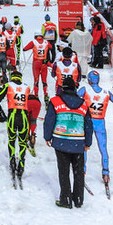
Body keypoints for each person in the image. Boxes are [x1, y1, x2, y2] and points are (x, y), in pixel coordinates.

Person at [44, 76, 93, 208]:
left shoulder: (55, 101)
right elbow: (88, 124)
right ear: (74, 88)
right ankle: (78, 199)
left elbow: (49, 120)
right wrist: (88, 142)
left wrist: (47, 137)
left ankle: (65, 200)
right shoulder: (83, 104)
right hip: (78, 142)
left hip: (61, 141)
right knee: (78, 172)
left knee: (63, 171)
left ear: (63, 88)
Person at [78, 71, 113, 185]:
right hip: (100, 123)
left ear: (89, 80)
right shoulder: (106, 93)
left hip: (87, 122)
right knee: (103, 149)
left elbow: (74, 97)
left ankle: (82, 171)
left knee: (85, 147)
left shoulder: (85, 90)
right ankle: (106, 173)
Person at [0, 68, 31, 183]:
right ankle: (21, 163)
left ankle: (12, 160)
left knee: (12, 140)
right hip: (24, 117)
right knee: (22, 142)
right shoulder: (27, 87)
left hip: (12, 116)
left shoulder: (8, 85)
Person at [22, 32, 52, 102]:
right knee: (44, 81)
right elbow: (51, 47)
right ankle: (46, 95)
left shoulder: (33, 42)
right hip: (44, 63)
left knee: (36, 80)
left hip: (36, 63)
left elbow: (24, 49)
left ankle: (36, 95)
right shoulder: (46, 42)